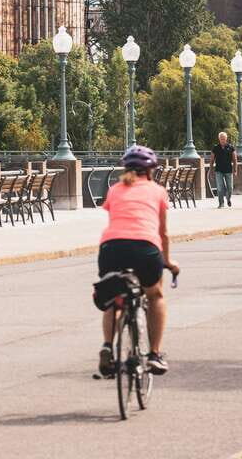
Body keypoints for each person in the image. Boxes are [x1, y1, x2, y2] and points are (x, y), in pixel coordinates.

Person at [97, 145, 180, 377]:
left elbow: (118, 220)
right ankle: (154, 354)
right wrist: (168, 261)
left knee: (114, 297)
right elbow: (162, 233)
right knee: (155, 295)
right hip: (145, 247)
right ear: (151, 170)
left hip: (111, 248)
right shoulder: (157, 190)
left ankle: (107, 346)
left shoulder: (115, 189)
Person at [210, 132, 238, 208]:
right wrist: (211, 171)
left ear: (226, 139)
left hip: (229, 170)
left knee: (230, 188)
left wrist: (235, 170)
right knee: (220, 188)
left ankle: (228, 199)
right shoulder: (215, 148)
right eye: (221, 138)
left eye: (224, 138)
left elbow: (235, 159)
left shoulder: (231, 147)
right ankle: (221, 203)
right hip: (218, 170)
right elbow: (212, 160)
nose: (222, 140)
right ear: (219, 139)